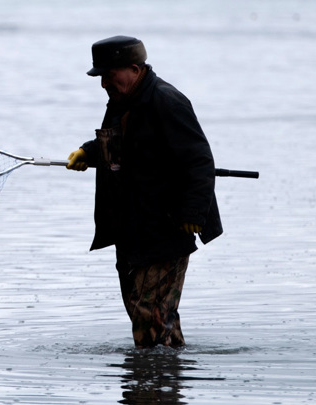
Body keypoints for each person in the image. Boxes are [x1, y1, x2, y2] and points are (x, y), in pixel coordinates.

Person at [66, 35, 222, 348]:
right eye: (101, 77)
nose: (103, 84)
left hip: (166, 229)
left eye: (109, 75)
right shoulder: (122, 102)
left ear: (134, 69)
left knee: (150, 316)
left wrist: (194, 215)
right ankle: (159, 384)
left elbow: (200, 161)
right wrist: (89, 152)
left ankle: (152, 390)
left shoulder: (167, 100)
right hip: (131, 229)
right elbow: (125, 145)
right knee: (149, 317)